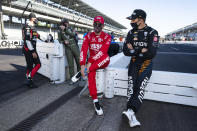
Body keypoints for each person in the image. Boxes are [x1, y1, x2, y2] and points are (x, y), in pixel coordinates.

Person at [122, 9, 159, 127]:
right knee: (131, 87)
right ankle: (130, 114)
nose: (131, 22)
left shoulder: (153, 32)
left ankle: (131, 111)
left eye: (133, 19)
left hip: (146, 64)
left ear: (141, 19)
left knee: (139, 87)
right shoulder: (130, 32)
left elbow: (151, 53)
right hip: (133, 62)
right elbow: (125, 51)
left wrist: (133, 50)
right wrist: (140, 50)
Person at [72, 16, 111, 115]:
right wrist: (82, 65)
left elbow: (103, 52)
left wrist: (89, 64)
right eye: (95, 24)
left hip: (101, 60)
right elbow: (83, 51)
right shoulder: (88, 36)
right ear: (93, 24)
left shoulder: (107, 37)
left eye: (99, 24)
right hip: (92, 64)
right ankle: (95, 101)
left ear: (103, 26)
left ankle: (82, 73)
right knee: (91, 77)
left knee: (107, 57)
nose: (97, 26)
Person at [57, 18, 80, 84]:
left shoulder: (71, 29)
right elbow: (59, 40)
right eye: (65, 23)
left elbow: (73, 35)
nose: (67, 24)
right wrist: (64, 41)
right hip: (68, 49)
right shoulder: (59, 31)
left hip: (75, 46)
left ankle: (79, 76)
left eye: (67, 23)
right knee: (71, 64)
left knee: (79, 62)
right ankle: (72, 79)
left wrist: (66, 29)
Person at [22, 13, 41, 88]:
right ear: (31, 18)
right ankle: (29, 79)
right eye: (35, 18)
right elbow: (27, 40)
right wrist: (33, 51)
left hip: (30, 48)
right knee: (38, 64)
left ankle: (29, 80)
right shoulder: (27, 27)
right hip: (29, 49)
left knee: (29, 66)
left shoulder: (32, 27)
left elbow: (37, 36)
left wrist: (47, 40)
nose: (36, 19)